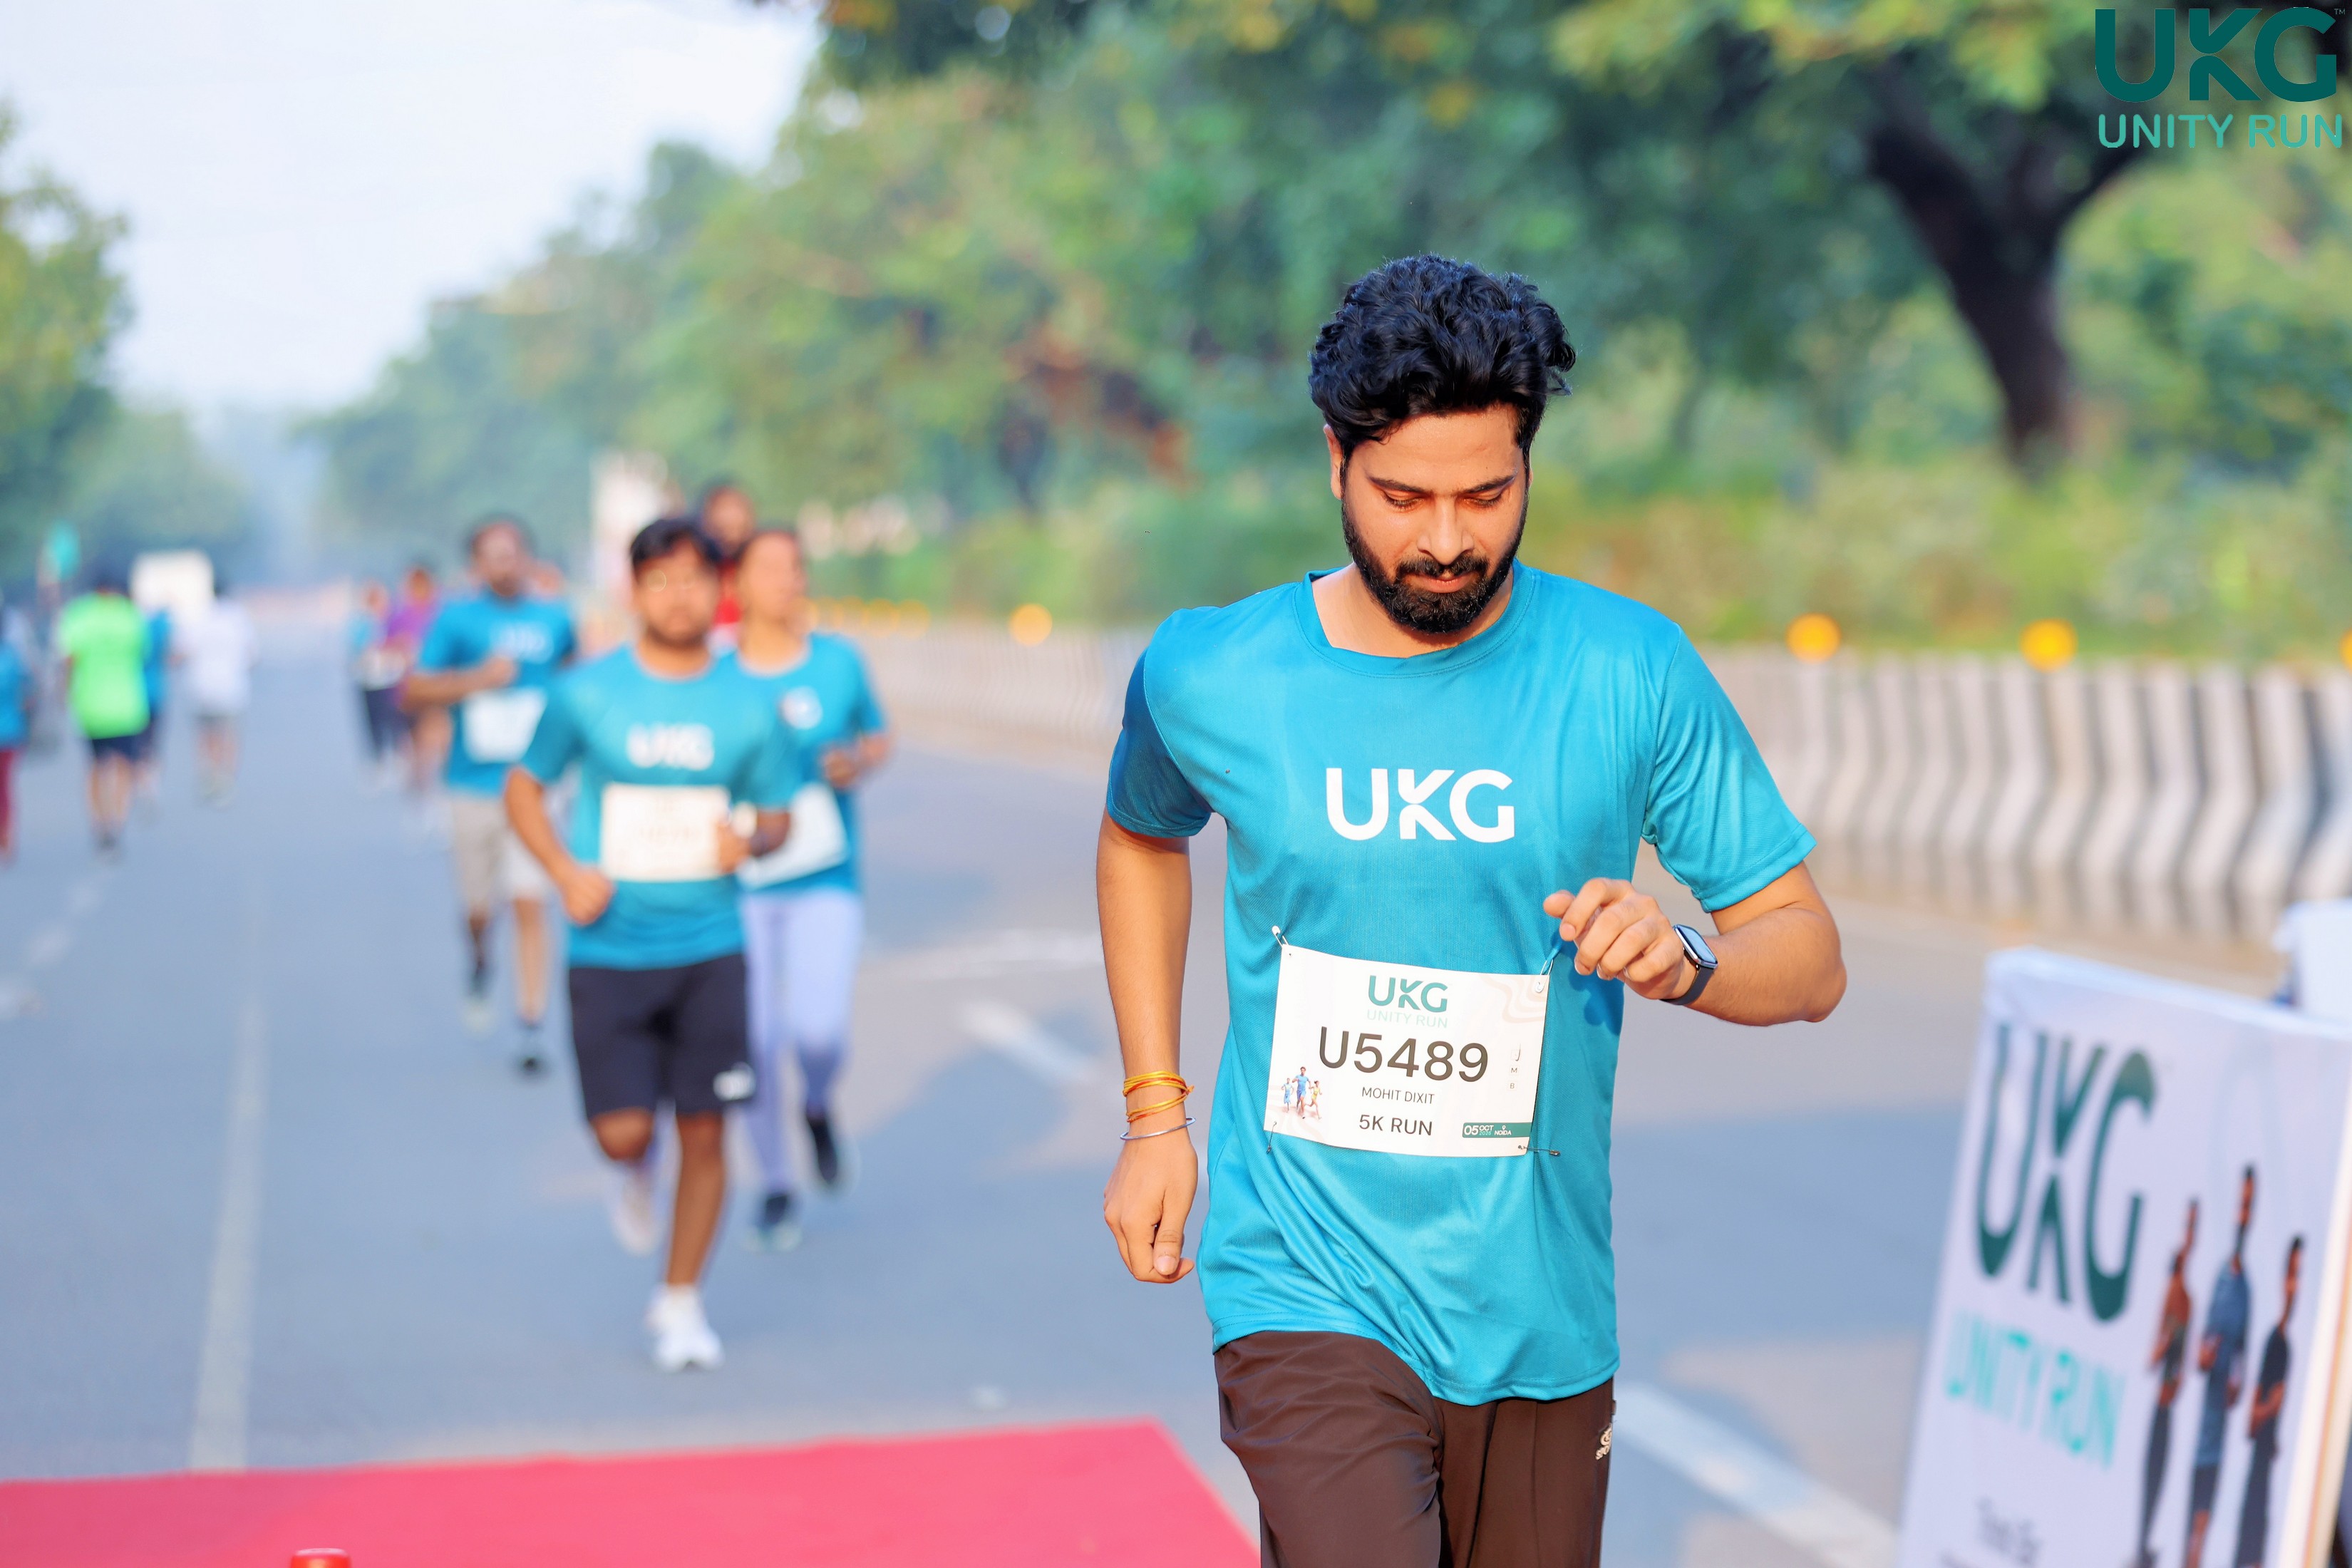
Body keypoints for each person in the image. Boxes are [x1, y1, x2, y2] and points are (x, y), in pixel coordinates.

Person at [1095, 255, 1845, 1568]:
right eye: (1404, 498)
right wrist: (1155, 1113)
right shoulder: (1213, 673)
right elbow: (1141, 836)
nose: (1446, 539)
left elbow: (1808, 955)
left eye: (1486, 495)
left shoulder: (1628, 669)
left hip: (1536, 1308)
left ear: (1528, 466)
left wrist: (1683, 958)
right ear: (1336, 461)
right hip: (1303, 1280)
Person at [505, 515, 803, 1371]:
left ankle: (680, 1302)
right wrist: (563, 871)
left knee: (707, 1132)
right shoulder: (587, 693)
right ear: (634, 591)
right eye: (661, 580)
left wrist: (751, 840)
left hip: (711, 947)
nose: (680, 596)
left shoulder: (750, 704)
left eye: (695, 579)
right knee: (626, 1134)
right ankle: (632, 1170)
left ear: (721, 590)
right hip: (609, 949)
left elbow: (778, 814)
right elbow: (525, 788)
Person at [726, 527, 892, 1249]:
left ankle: (817, 1104)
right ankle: (775, 1182)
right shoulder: (718, 674)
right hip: (741, 884)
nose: (787, 580)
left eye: (796, 567)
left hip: (826, 872)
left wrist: (859, 760)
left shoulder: (837, 661)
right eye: (769, 568)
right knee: (757, 1041)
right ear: (738, 581)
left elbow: (877, 736)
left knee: (817, 1032)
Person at [403, 518, 577, 1071]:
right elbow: (415, 688)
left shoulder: (555, 618)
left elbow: (578, 681)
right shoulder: (456, 619)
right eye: (493, 556)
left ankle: (530, 1023)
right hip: (472, 786)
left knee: (530, 901)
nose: (505, 564)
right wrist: (478, 679)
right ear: (476, 565)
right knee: (480, 909)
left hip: (535, 787)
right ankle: (479, 959)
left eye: (513, 553)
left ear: (528, 558)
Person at [2187, 1167, 2258, 1568]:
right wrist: (2205, 1358)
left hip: (2219, 1434)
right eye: (2241, 1205)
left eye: (2250, 1206)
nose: (2243, 1215)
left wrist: (2235, 1385)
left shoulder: (2247, 1289)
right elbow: (2203, 1347)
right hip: (2200, 1424)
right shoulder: (2221, 1279)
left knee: (2202, 1524)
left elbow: (2242, 1360)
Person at [55, 567, 153, 857]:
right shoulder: (131, 615)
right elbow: (143, 654)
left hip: (90, 706)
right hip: (127, 706)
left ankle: (100, 823)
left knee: (96, 767)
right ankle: (117, 823)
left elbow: (69, 660)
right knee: (124, 768)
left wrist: (64, 695)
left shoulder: (78, 614)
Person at [2139, 1200, 2200, 1568]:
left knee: (2159, 1477)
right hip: (2159, 1405)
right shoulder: (2171, 1291)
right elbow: (2153, 1354)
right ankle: (2141, 1543)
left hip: (2170, 1404)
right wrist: (2163, 1347)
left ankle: (2146, 1543)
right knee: (2150, 1477)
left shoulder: (2188, 1300)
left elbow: (2184, 1359)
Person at [2233, 1235, 2301, 1568]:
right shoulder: (2274, 1343)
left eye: (2299, 1278)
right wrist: (2272, 1406)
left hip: (2268, 1482)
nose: (2295, 1288)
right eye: (2292, 1276)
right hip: (2254, 1482)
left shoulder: (2288, 1348)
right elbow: (2250, 1423)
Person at [177, 575, 259, 804]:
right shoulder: (238, 617)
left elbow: (183, 651)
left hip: (201, 686)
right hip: (231, 687)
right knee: (228, 735)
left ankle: (208, 774)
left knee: (206, 734)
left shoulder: (199, 617)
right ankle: (226, 779)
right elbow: (252, 655)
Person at [387, 562, 446, 809]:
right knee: (414, 743)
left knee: (434, 738)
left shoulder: (442, 613)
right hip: (409, 689)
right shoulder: (400, 615)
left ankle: (434, 789)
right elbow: (387, 645)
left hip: (437, 688)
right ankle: (418, 784)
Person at [698, 481, 758, 641]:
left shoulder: (759, 573)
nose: (731, 517)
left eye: (737, 508)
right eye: (723, 509)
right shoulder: (699, 571)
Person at [0, 619, 30, 864]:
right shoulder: (12, 657)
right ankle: (6, 837)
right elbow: (27, 696)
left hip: (8, 733)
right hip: (10, 732)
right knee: (4, 788)